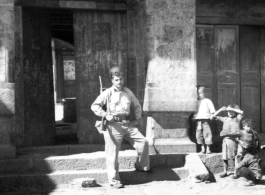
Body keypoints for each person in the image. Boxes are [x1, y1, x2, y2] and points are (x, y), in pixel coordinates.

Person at [91, 66, 150, 188]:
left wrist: (136, 120)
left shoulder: (128, 92)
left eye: (121, 79)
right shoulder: (108, 93)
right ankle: (114, 180)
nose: (119, 82)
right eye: (116, 80)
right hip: (113, 125)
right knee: (112, 153)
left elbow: (137, 106)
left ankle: (141, 166)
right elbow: (95, 106)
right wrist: (105, 115)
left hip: (127, 124)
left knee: (143, 142)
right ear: (112, 81)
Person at [212, 104, 244, 178]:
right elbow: (213, 116)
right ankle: (225, 171)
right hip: (225, 139)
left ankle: (236, 172)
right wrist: (221, 109)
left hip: (233, 139)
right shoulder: (225, 119)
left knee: (234, 156)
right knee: (224, 156)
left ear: (235, 112)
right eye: (228, 111)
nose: (230, 113)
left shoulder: (238, 118)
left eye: (232, 111)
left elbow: (242, 112)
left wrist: (232, 109)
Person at [193, 86, 216, 154]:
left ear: (204, 93)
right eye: (197, 93)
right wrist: (194, 116)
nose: (199, 95)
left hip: (205, 119)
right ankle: (202, 148)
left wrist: (212, 115)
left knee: (207, 132)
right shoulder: (195, 101)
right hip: (198, 120)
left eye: (200, 93)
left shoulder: (207, 101)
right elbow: (194, 110)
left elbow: (212, 110)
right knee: (199, 133)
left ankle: (208, 148)